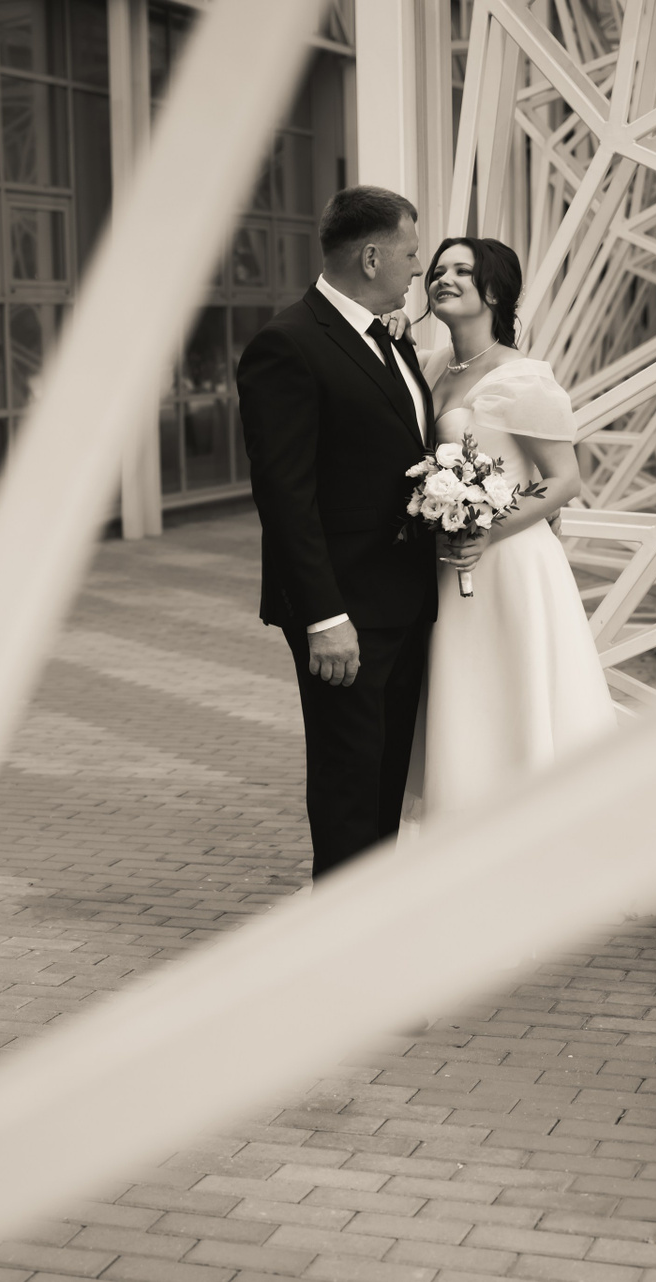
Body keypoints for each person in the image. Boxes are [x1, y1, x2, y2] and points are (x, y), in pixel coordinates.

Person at [236, 186, 438, 881]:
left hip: (405, 600)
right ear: (372, 258)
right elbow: (285, 497)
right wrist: (325, 617)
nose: (419, 268)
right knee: (349, 776)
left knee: (385, 772)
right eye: (411, 254)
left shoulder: (392, 339)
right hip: (344, 610)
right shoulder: (287, 345)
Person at [389, 236, 617, 830]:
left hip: (508, 560)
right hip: (447, 562)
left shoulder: (523, 379)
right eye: (437, 269)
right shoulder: (429, 366)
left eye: (462, 271)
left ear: (493, 290)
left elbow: (564, 480)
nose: (443, 278)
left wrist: (486, 531)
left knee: (509, 691)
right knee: (463, 695)